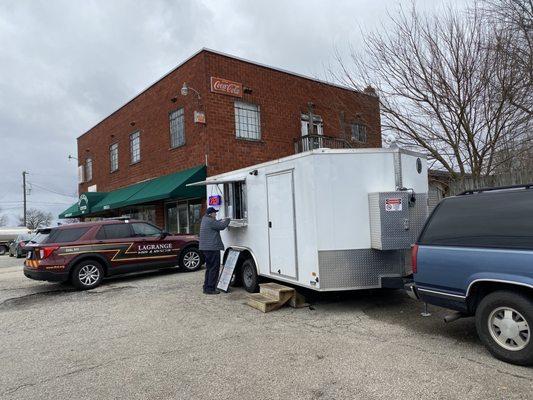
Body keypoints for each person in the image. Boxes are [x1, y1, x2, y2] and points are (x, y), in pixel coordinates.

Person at [199, 207, 231, 295]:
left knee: (209, 268)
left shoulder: (205, 220)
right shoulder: (210, 221)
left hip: (206, 248)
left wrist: (221, 220)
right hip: (212, 248)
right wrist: (228, 219)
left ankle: (206, 287)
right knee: (214, 268)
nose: (216, 214)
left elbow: (216, 223)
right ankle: (210, 289)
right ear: (211, 214)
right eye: (214, 213)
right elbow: (222, 226)